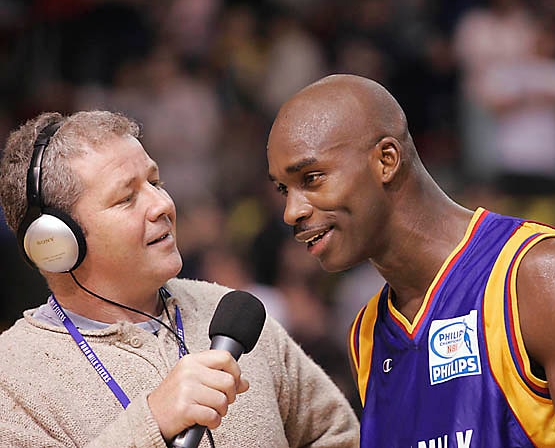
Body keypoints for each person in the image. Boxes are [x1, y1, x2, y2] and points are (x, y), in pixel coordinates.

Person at [266, 74, 555, 447]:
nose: (291, 211)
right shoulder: (365, 336)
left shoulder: (540, 275)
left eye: (312, 178)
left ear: (386, 160)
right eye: (284, 189)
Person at [0, 110, 359, 447]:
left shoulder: (230, 311)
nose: (162, 205)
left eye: (155, 182)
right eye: (127, 198)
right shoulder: (13, 376)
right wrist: (151, 421)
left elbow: (339, 434)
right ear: (56, 242)